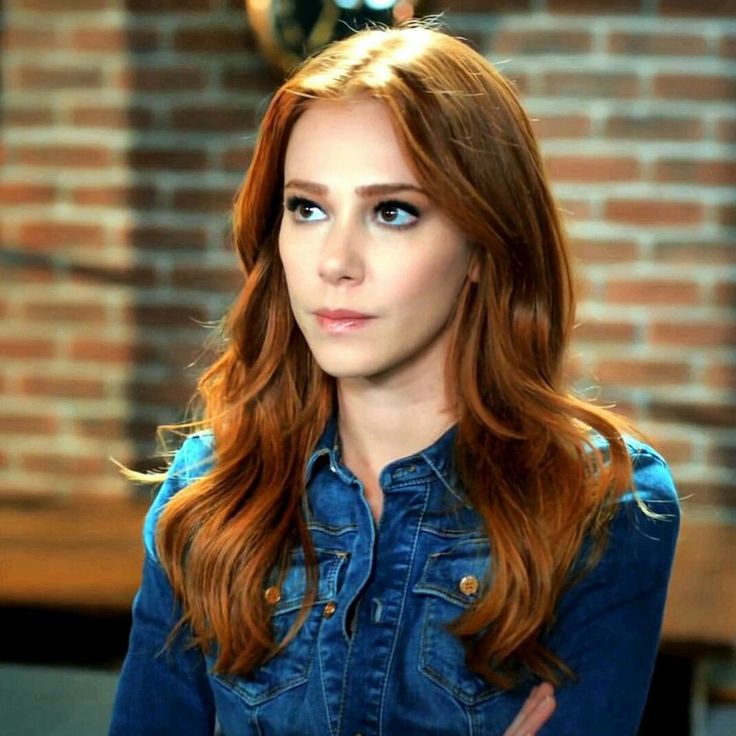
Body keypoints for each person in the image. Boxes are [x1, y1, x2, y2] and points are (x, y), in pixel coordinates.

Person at [109, 21, 680, 736]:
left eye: (392, 212)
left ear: (484, 245)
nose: (335, 262)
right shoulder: (209, 489)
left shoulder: (603, 505)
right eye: (307, 208)